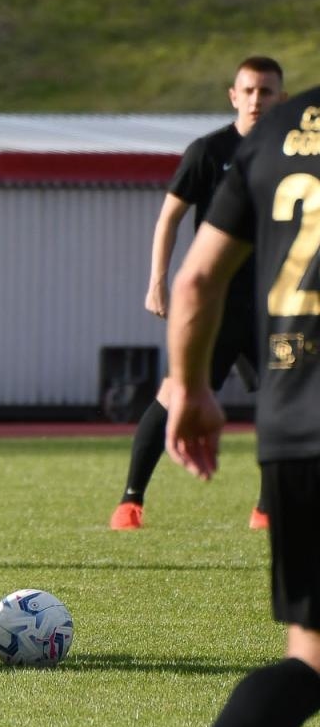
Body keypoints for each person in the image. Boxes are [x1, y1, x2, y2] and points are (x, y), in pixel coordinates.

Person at [137, 84, 320, 727]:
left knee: (311, 658)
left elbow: (196, 281)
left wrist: (191, 389)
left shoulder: (276, 131)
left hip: (293, 429)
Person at [111, 56, 287, 533]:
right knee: (173, 395)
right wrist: (157, 280)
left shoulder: (294, 157)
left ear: (281, 99)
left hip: (273, 310)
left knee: (289, 399)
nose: (256, 99)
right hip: (214, 307)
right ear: (233, 95)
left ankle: (268, 508)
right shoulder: (209, 151)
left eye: (266, 92)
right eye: (248, 90)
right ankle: (130, 502)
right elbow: (169, 217)